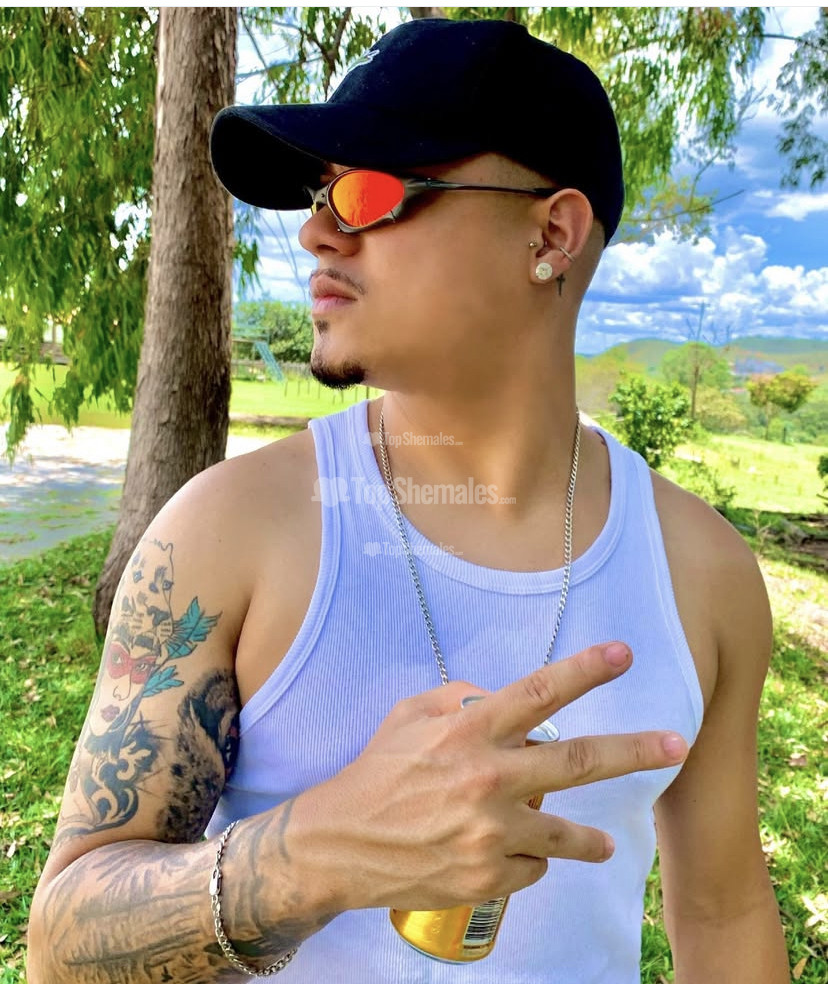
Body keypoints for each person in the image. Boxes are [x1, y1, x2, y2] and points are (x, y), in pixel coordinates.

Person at [27, 17, 790, 985]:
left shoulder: (704, 572)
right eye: (320, 194)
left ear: (551, 234)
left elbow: (723, 913)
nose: (316, 230)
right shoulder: (229, 530)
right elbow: (60, 946)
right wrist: (320, 853)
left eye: (371, 189)